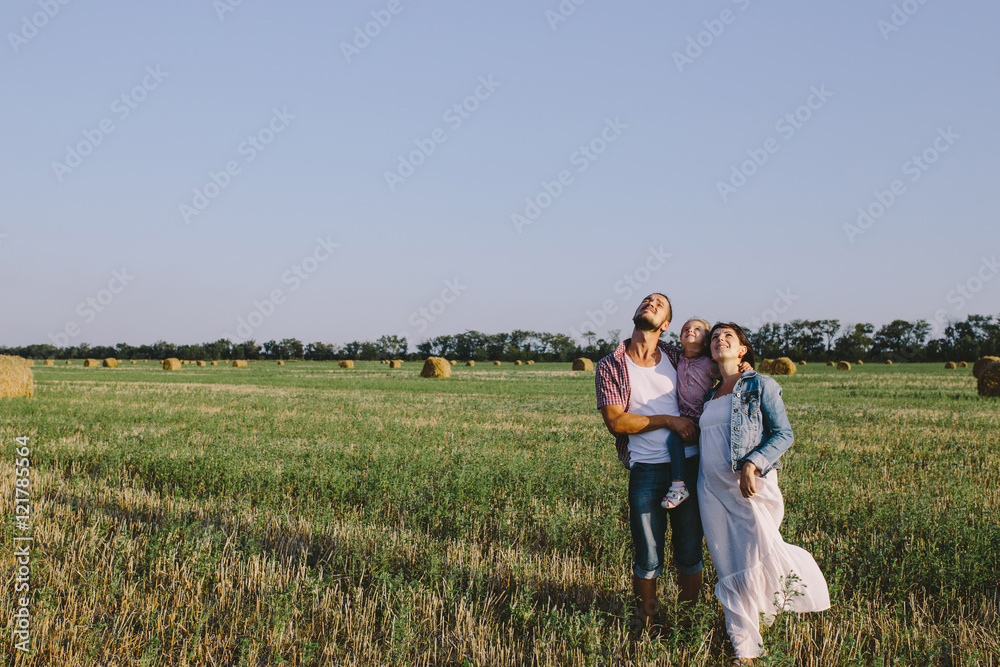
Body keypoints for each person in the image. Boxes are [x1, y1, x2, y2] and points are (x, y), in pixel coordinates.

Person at [697, 322, 830, 664]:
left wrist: (751, 465)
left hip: (747, 486)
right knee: (728, 564)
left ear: (742, 349)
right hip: (710, 490)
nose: (719, 340)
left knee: (758, 553)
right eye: (714, 337)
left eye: (728, 336)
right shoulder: (709, 393)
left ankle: (770, 609)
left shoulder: (760, 385)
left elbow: (784, 434)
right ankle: (746, 646)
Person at [595, 293, 703, 633]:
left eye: (659, 304)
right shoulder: (610, 365)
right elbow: (617, 422)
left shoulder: (676, 356)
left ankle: (686, 624)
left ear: (666, 325)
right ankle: (648, 624)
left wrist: (743, 367)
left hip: (687, 466)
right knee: (648, 558)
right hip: (644, 471)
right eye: (646, 300)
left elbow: (713, 367)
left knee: (689, 554)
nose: (650, 303)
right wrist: (669, 421)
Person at [660, 318, 716, 509]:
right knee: (673, 439)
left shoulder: (710, 363)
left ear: (707, 340)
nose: (690, 330)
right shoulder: (678, 358)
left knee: (706, 456)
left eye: (697, 329)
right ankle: (678, 485)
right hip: (687, 417)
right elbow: (659, 344)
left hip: (705, 417)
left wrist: (745, 367)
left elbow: (729, 375)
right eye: (685, 329)